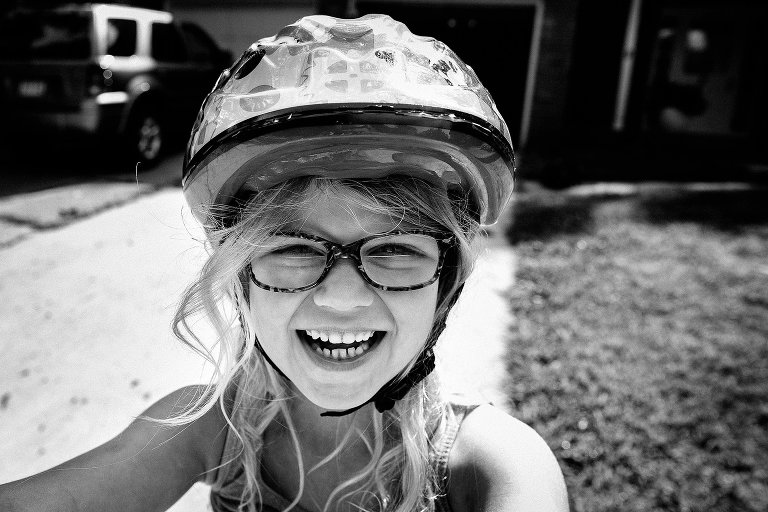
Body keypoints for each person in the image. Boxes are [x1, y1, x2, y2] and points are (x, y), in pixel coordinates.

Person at [0, 14, 568, 512]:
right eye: (293, 248)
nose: (343, 298)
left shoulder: (495, 468)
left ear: (445, 286)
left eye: (396, 249)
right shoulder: (210, 432)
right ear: (241, 275)